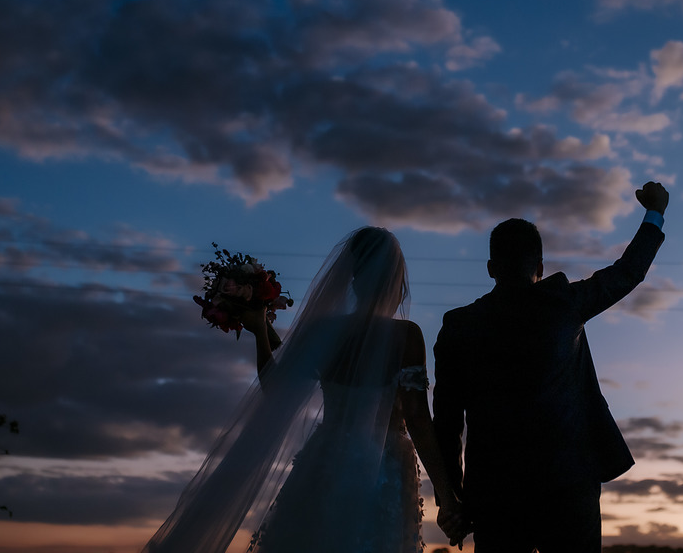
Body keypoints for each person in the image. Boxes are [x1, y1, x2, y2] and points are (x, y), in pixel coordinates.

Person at [144, 227, 464, 553]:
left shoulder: (323, 331)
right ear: (393, 282)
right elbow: (418, 419)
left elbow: (277, 388)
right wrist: (447, 496)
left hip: (325, 458)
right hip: (384, 465)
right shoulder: (406, 336)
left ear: (353, 276)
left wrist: (260, 332)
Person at [432, 182, 670, 552]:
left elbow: (446, 422)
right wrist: (655, 210)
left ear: (491, 268)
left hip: (494, 494)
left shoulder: (459, 325)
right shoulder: (564, 305)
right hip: (569, 486)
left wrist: (453, 498)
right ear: (540, 268)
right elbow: (628, 272)